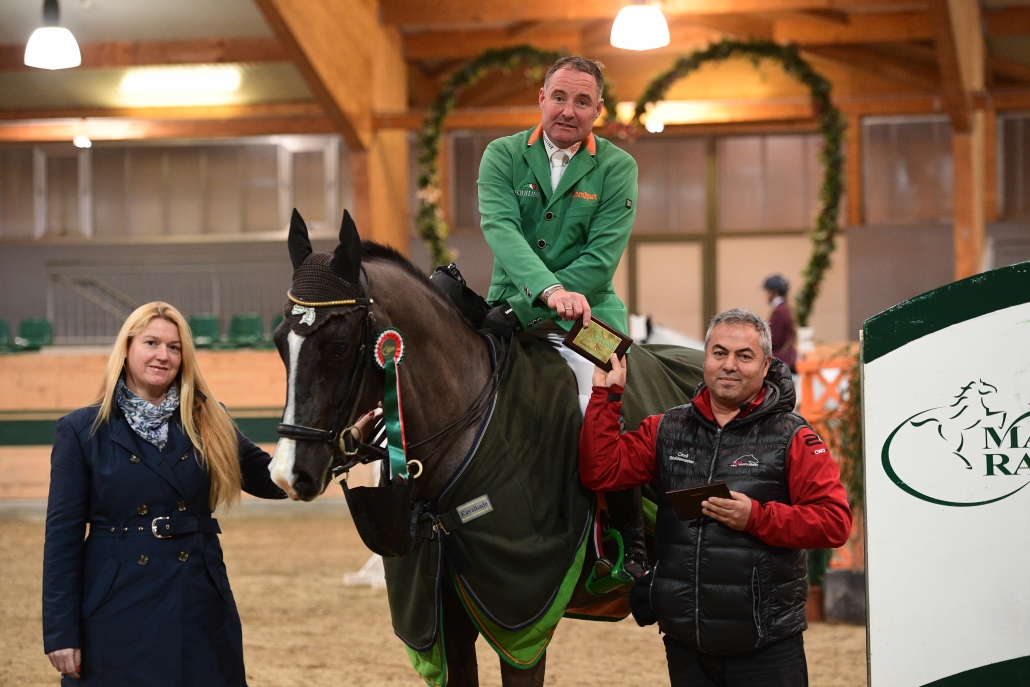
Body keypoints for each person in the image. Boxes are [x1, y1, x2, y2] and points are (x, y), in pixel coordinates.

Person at [579, 308, 852, 687]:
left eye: (744, 356)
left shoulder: (793, 436)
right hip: (686, 644)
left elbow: (834, 522)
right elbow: (602, 471)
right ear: (705, 357)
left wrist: (755, 517)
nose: (729, 366)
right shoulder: (666, 428)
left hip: (767, 645)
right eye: (719, 353)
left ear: (766, 365)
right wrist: (607, 394)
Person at [43, 302, 286, 686]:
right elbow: (62, 539)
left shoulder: (212, 418)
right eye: (151, 342)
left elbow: (272, 479)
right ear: (126, 349)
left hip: (199, 600)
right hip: (115, 601)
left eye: (174, 347)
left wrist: (338, 446)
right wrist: (60, 632)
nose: (163, 355)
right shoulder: (81, 430)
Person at [477, 55, 644, 579]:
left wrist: (567, 293)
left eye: (582, 101)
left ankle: (630, 539)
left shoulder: (618, 168)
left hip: (592, 309)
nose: (568, 110)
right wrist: (547, 291)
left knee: (612, 391)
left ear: (598, 110)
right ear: (541, 99)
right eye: (559, 97)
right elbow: (500, 231)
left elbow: (603, 256)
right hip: (515, 304)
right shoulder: (500, 155)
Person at [763, 274, 797, 372]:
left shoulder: (779, 312)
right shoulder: (785, 309)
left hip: (781, 359)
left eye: (767, 291)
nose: (766, 295)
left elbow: (774, 339)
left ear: (774, 292)